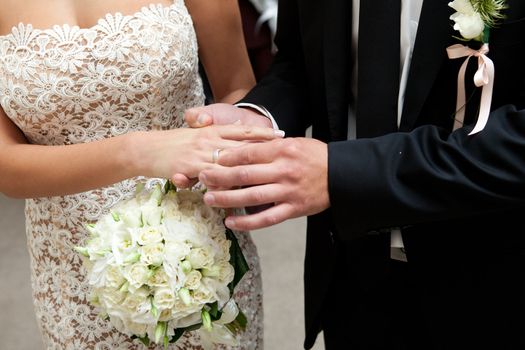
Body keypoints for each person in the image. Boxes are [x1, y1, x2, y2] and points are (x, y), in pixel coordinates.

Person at [180, 0, 525, 349]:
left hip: (488, 271)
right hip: (351, 270)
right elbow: (299, 62)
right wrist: (261, 116)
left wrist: (343, 173)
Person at [0, 0, 280, 348]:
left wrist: (225, 145)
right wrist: (136, 152)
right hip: (71, 268)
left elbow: (237, 86)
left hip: (199, 249)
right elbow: (6, 166)